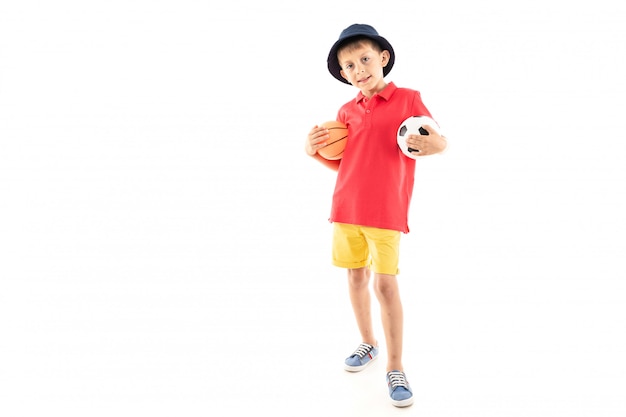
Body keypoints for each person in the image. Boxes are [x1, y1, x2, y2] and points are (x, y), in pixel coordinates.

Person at [304, 23, 447, 408]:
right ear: (342, 74)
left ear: (383, 58)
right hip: (346, 208)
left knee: (385, 286)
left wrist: (435, 145)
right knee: (355, 278)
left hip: (385, 211)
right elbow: (349, 163)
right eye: (348, 65)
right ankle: (368, 343)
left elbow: (438, 141)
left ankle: (395, 367)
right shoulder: (345, 111)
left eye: (364, 59)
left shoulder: (408, 99)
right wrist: (313, 151)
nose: (358, 69)